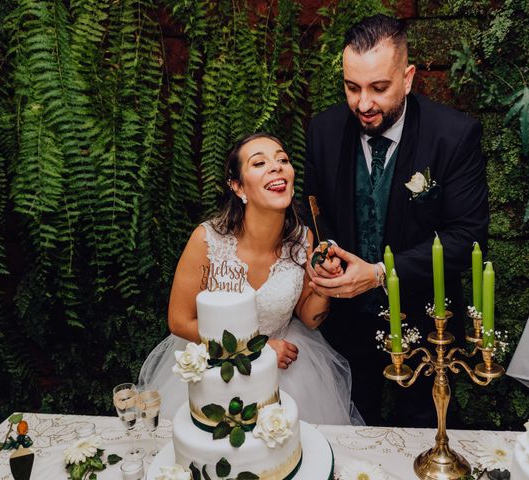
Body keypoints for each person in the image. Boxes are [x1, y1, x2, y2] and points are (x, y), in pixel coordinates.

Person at [303, 14, 489, 426]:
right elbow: (314, 212)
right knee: (347, 427)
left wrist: (379, 273)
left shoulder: (453, 135)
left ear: (407, 78)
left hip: (427, 325)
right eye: (352, 87)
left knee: (423, 427)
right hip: (345, 324)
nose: (363, 103)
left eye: (379, 88)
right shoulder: (323, 131)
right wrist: (327, 252)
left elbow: (467, 239)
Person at [139, 133, 363, 426]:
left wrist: (324, 282)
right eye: (260, 163)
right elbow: (179, 322)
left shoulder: (304, 239)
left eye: (283, 159)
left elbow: (310, 318)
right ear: (237, 186)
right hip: (214, 367)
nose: (276, 167)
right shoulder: (206, 240)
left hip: (287, 372)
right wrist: (254, 348)